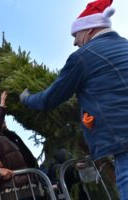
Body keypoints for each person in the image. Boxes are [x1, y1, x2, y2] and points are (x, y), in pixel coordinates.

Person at [19, 0, 128, 198]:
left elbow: (49, 99)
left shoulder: (83, 57)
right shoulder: (124, 46)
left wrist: (26, 98)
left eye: (75, 35)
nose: (75, 42)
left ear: (90, 29)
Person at [0, 91, 42, 200]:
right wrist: (2, 106)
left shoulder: (11, 137)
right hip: (14, 192)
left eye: (3, 119)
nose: (3, 122)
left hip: (32, 188)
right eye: (0, 120)